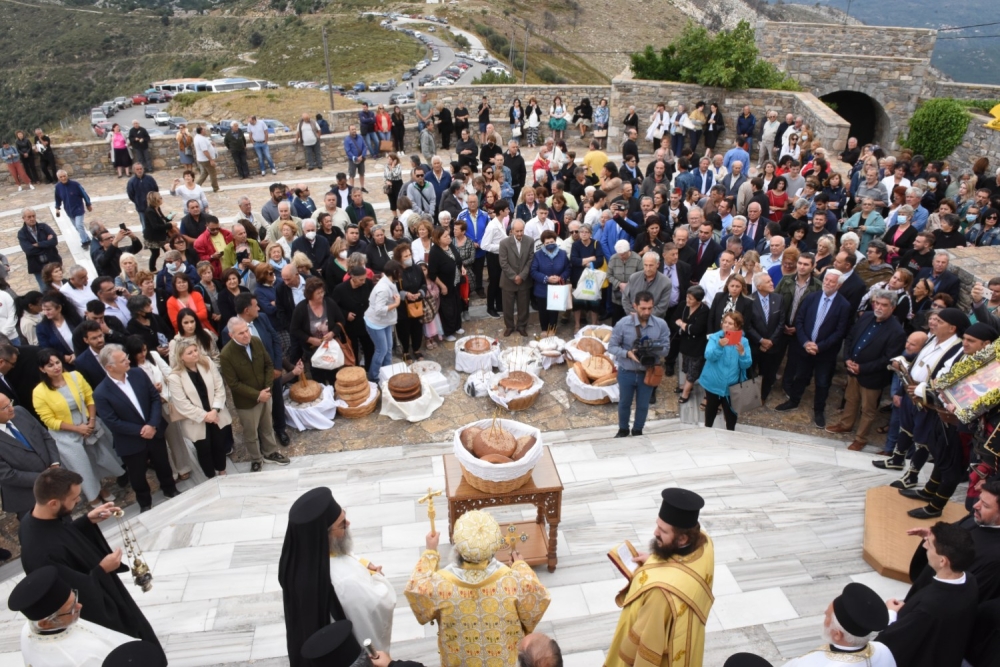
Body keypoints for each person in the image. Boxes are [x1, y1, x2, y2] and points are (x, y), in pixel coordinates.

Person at [18, 467, 160, 645]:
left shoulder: (34, 518)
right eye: (74, 498)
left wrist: (87, 521)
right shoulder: (40, 554)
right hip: (97, 613)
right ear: (53, 503)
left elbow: (62, 537)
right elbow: (72, 593)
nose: (78, 501)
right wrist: (102, 569)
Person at [404, 510, 550, 667]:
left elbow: (416, 589)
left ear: (458, 548)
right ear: (494, 547)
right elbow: (538, 597)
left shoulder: (440, 584)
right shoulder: (513, 580)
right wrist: (520, 565)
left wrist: (430, 552)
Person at [606, 488, 714, 667]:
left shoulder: (659, 594)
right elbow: (685, 571)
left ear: (682, 539)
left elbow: (644, 650)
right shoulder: (705, 545)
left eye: (663, 531)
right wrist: (652, 563)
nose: (655, 532)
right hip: (691, 643)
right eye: (658, 525)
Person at [876, 522, 978, 667]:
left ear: (943, 561)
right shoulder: (970, 581)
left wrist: (891, 613)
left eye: (929, 545)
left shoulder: (929, 607)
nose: (924, 547)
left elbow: (894, 640)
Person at [92, 344, 176, 511]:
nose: (128, 361)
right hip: (130, 441)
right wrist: (141, 430)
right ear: (110, 367)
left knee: (163, 464)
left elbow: (154, 397)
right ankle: (145, 504)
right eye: (123, 360)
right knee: (137, 476)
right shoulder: (101, 392)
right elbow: (112, 421)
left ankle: (170, 490)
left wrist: (152, 424)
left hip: (154, 431)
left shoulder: (138, 373)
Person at [32, 350, 121, 506]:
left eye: (57, 362)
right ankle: (92, 496)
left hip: (86, 422)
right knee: (80, 466)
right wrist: (77, 429)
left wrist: (91, 421)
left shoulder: (75, 376)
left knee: (96, 458)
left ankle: (101, 488)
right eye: (50, 365)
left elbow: (89, 397)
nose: (55, 367)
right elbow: (48, 420)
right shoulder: (39, 392)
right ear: (42, 369)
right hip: (65, 432)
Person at [8, 566, 137, 666]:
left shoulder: (28, 628)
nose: (79, 606)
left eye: (74, 598)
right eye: (71, 608)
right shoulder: (80, 660)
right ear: (45, 623)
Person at [825, 290, 905, 451]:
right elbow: (850, 337)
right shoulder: (867, 316)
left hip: (872, 377)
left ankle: (861, 438)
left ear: (893, 308)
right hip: (852, 368)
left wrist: (862, 368)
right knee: (850, 399)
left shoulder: (897, 332)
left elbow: (887, 359)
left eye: (884, 305)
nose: (879, 307)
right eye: (877, 303)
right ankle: (846, 424)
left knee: (868, 409)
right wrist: (847, 358)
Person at [776, 270, 851, 427]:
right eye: (826, 279)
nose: (827, 283)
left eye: (832, 281)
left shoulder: (844, 305)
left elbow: (840, 332)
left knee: (822, 382)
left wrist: (819, 347)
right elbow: (800, 320)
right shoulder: (812, 297)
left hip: (825, 353)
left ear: (839, 285)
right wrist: (805, 343)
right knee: (801, 377)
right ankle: (794, 401)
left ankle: (819, 410)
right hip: (805, 348)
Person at [279, 487, 344, 667]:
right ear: (323, 536)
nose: (348, 525)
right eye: (342, 524)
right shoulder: (326, 581)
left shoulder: (295, 556)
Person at [326, 493, 396, 650]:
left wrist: (363, 563)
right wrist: (376, 577)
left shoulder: (309, 552)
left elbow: (341, 556)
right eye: (342, 524)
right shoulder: (346, 581)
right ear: (326, 535)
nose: (348, 523)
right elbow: (379, 605)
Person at [220, 317, 290, 472]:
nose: (246, 335)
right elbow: (233, 384)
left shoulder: (256, 342)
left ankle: (270, 452)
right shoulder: (226, 355)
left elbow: (268, 365)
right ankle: (256, 458)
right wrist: (257, 395)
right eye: (241, 333)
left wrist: (266, 389)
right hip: (247, 402)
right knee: (251, 433)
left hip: (265, 394)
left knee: (267, 427)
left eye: (247, 330)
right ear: (231, 335)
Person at [781, 583, 893, 666]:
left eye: (828, 616)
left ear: (838, 634)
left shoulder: (812, 663)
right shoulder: (883, 650)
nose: (825, 614)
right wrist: (892, 613)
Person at [609, 291, 671, 438]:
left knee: (643, 406)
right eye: (643, 308)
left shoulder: (660, 325)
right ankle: (623, 429)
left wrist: (653, 349)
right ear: (635, 306)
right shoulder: (623, 324)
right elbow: (611, 347)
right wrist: (628, 353)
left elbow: (666, 350)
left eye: (650, 308)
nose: (647, 312)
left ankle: (638, 430)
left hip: (648, 372)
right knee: (624, 403)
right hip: (626, 371)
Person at [166, 338, 230, 479]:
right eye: (190, 353)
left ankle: (222, 470)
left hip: (216, 413)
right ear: (181, 357)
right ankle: (211, 476)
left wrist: (214, 410)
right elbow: (182, 404)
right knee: (204, 449)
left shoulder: (207, 362)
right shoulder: (175, 377)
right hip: (197, 420)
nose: (195, 354)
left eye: (195, 350)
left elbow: (219, 386)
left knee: (219, 444)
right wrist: (206, 416)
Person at [0, 394, 60, 521]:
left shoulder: (20, 412)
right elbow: (7, 475)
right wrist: (45, 478)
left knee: (68, 526)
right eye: (4, 408)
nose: (11, 408)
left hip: (54, 485)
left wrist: (55, 464)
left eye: (10, 403)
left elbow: (45, 436)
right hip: (28, 497)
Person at [699, 312, 753, 431]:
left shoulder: (743, 341)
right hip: (713, 384)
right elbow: (709, 356)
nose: (726, 325)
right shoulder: (715, 338)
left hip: (732, 387)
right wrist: (719, 346)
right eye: (725, 322)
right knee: (710, 411)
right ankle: (707, 431)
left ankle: (730, 436)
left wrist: (742, 353)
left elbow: (747, 364)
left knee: (731, 416)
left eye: (730, 323)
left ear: (737, 326)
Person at [289, 278, 348, 386]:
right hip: (312, 349)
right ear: (310, 294)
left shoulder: (329, 303)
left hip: (329, 346)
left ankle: (333, 392)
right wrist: (310, 339)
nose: (321, 295)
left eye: (322, 292)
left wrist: (333, 333)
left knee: (332, 372)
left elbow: (341, 320)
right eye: (318, 293)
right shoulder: (301, 308)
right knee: (317, 375)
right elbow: (294, 329)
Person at [745, 273, 784, 403]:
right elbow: (748, 325)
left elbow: (781, 322)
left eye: (771, 280)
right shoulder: (749, 300)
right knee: (750, 371)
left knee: (768, 373)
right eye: (768, 282)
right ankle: (749, 395)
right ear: (759, 286)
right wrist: (761, 340)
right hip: (755, 345)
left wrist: (770, 341)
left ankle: (762, 396)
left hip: (772, 345)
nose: (772, 283)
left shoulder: (779, 299)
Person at [364, 260, 402, 382]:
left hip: (385, 321)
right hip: (376, 323)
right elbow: (379, 310)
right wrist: (396, 304)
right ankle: (373, 376)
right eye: (400, 272)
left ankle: (387, 372)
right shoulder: (383, 288)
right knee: (381, 350)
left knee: (388, 348)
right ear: (395, 272)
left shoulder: (389, 281)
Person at [426, 227, 465, 342]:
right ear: (438, 239)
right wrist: (442, 286)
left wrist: (461, 267)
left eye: (449, 235)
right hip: (445, 284)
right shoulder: (435, 252)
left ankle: (457, 326)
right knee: (447, 309)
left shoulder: (450, 245)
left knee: (457, 304)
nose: (449, 238)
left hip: (456, 281)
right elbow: (432, 273)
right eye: (445, 236)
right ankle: (448, 331)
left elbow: (457, 260)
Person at [498, 220, 534, 337]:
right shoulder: (504, 243)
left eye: (521, 231)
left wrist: (522, 276)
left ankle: (521, 326)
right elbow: (503, 263)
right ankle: (509, 326)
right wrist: (514, 277)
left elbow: (530, 260)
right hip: (508, 281)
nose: (519, 233)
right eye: (517, 231)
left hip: (524, 281)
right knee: (507, 306)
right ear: (512, 231)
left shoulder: (530, 241)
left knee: (523, 306)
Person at [391, 245, 425, 363]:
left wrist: (420, 293)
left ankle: (416, 348)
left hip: (417, 304)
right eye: (405, 256)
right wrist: (405, 294)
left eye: (410, 255)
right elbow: (393, 289)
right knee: (404, 329)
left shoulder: (417, 269)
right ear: (399, 258)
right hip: (402, 307)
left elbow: (423, 284)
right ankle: (405, 351)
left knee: (417, 328)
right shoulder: (396, 272)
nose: (408, 257)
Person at [18, 208, 62, 291]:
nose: (32, 219)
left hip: (52, 261)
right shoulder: (22, 233)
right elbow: (29, 250)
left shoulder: (43, 227)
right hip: (37, 266)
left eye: (33, 216)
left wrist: (38, 244)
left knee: (59, 286)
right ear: (23, 218)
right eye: (29, 217)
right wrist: (46, 244)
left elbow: (54, 241)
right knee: (45, 289)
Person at [54, 171, 93, 248]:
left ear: (67, 175)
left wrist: (88, 204)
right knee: (77, 227)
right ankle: (87, 239)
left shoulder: (75, 185)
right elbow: (57, 198)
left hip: (78, 209)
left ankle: (84, 242)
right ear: (58, 178)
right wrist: (57, 208)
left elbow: (84, 194)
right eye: (61, 177)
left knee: (79, 225)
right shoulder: (58, 187)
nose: (63, 178)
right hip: (69, 211)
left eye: (64, 176)